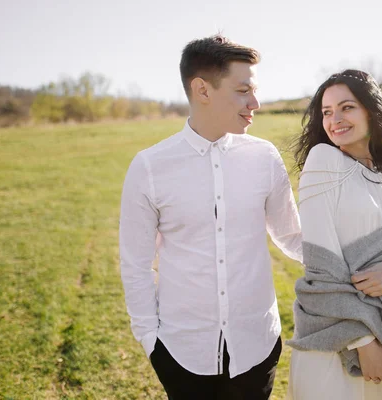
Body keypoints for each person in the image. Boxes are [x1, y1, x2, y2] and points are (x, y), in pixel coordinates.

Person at [119, 34, 302, 399]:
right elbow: (135, 264)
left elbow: (292, 237)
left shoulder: (264, 157)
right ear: (202, 90)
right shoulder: (150, 167)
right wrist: (151, 343)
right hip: (182, 353)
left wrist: (357, 260)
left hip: (257, 347)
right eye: (242, 90)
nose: (256, 102)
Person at [287, 70, 382, 400]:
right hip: (339, 337)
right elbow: (321, 267)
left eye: (347, 107)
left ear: (373, 111)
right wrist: (363, 341)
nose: (335, 120)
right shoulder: (324, 162)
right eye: (327, 112)